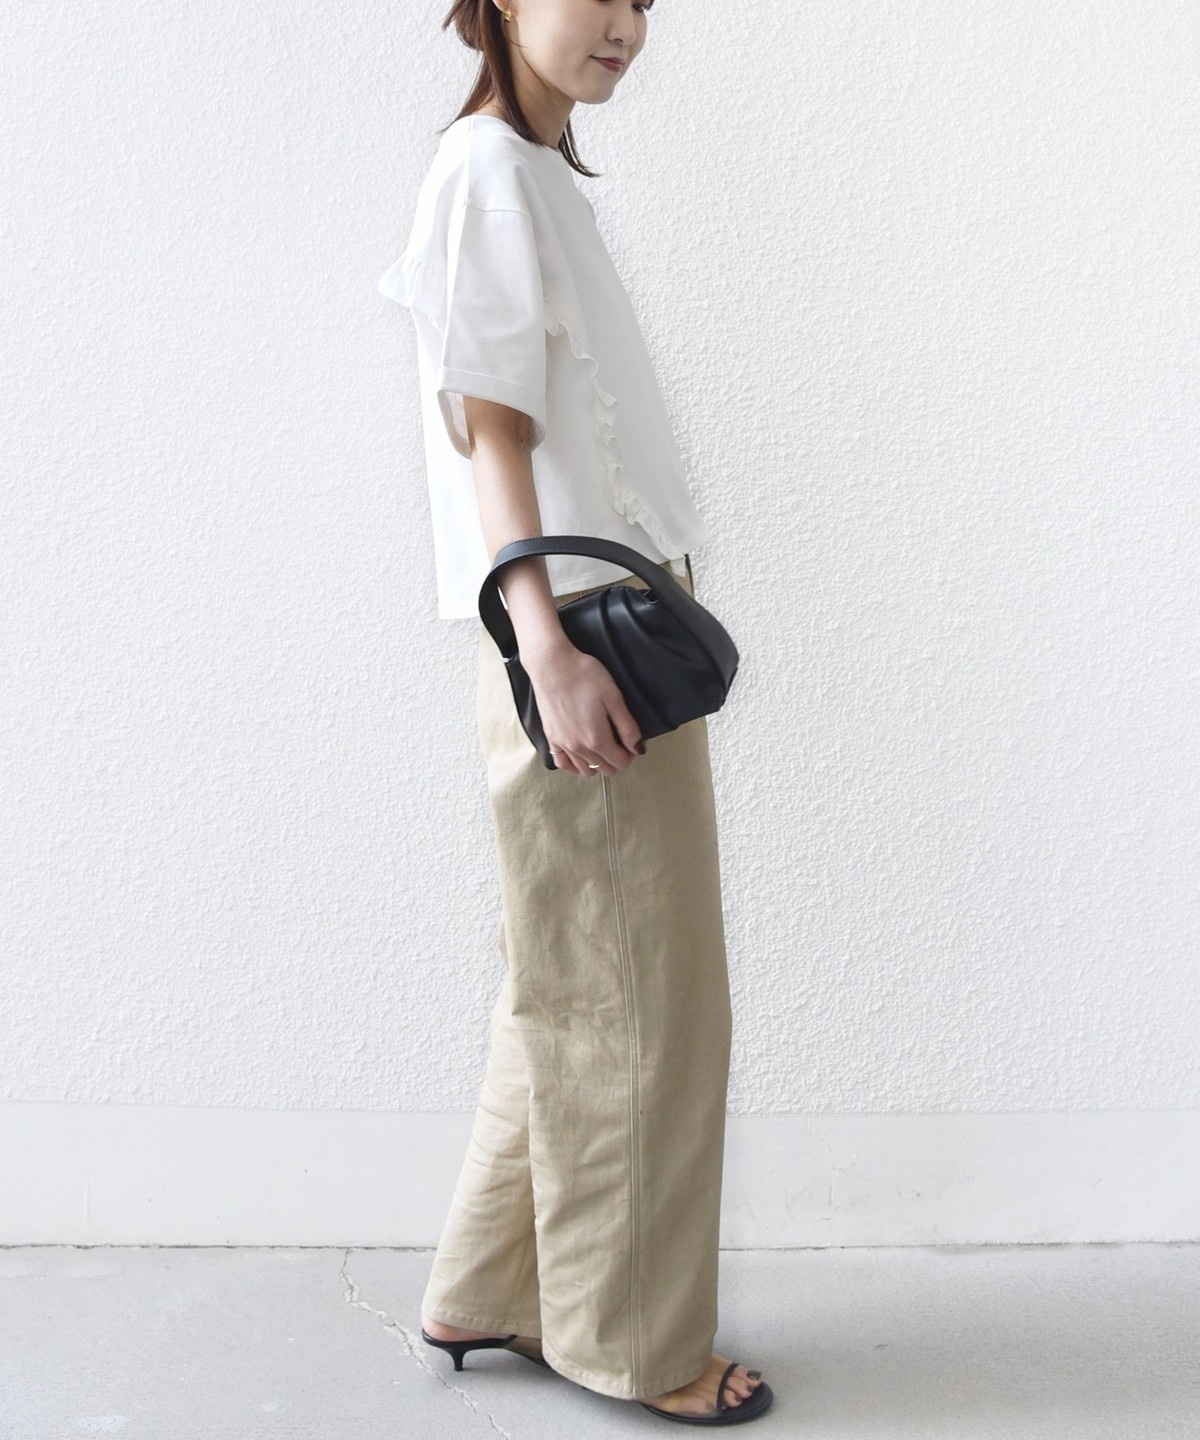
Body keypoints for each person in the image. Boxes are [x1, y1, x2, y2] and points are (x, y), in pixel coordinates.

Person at [377, 0, 772, 1425]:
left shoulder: (530, 171)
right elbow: (490, 423)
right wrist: (543, 649)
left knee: (574, 983)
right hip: (573, 642)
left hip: (603, 631)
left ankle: (484, 1285)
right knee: (644, 1006)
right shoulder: (486, 170)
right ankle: (634, 1344)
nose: (624, 22)